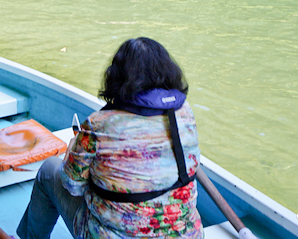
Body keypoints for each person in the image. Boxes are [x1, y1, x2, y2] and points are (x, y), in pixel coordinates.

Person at [17, 38, 203, 239]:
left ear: (116, 77)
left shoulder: (98, 124)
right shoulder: (184, 114)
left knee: (48, 171)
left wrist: (72, 153)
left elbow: (72, 185)